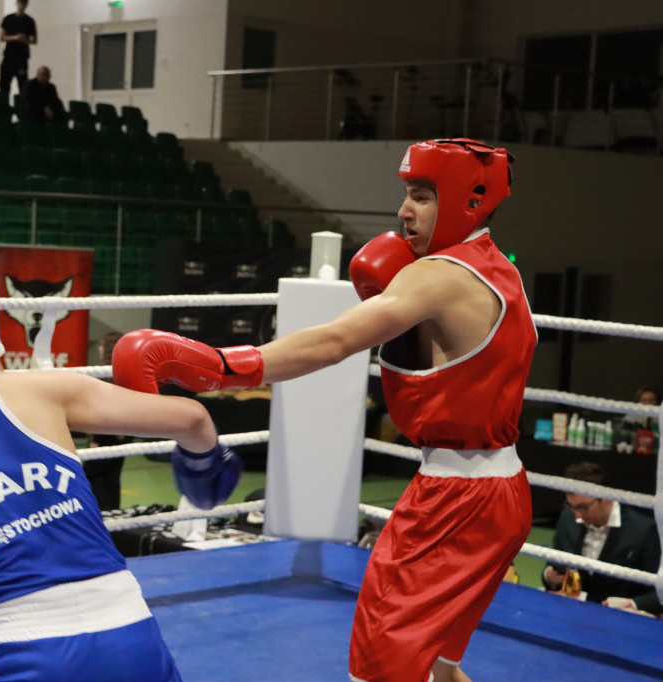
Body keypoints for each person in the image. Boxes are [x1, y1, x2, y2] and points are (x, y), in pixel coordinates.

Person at [112, 138, 535, 682]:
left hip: (454, 501)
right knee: (442, 666)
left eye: (422, 196)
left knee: (378, 668)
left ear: (468, 201)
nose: (404, 210)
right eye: (406, 193)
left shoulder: (439, 276)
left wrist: (222, 365)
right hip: (505, 491)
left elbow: (332, 342)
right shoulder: (500, 268)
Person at [0, 266, 239, 679]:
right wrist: (203, 473)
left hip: (12, 657)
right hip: (133, 640)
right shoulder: (42, 389)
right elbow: (194, 419)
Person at [542, 461, 661, 615]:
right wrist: (550, 577)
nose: (577, 515)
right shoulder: (567, 519)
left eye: (583, 507)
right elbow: (555, 566)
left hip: (620, 622)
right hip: (571, 615)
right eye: (571, 506)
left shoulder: (643, 530)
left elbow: (658, 594)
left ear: (606, 497)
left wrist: (632, 604)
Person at [84, 330, 129, 511]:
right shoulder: (126, 373)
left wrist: (95, 439)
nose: (99, 349)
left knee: (90, 475)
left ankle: (102, 510)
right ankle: (114, 513)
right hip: (124, 432)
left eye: (102, 345)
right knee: (112, 476)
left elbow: (102, 411)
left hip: (108, 433)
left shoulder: (106, 376)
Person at [0, 0, 37, 95]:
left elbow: (34, 40)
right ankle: (4, 107)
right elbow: (2, 37)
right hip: (9, 55)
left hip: (22, 57)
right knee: (4, 84)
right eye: (20, 3)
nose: (21, 6)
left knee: (23, 85)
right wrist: (15, 37)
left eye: (23, 3)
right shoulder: (9, 18)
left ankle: (21, 108)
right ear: (16, 4)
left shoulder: (29, 21)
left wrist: (25, 40)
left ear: (26, 5)